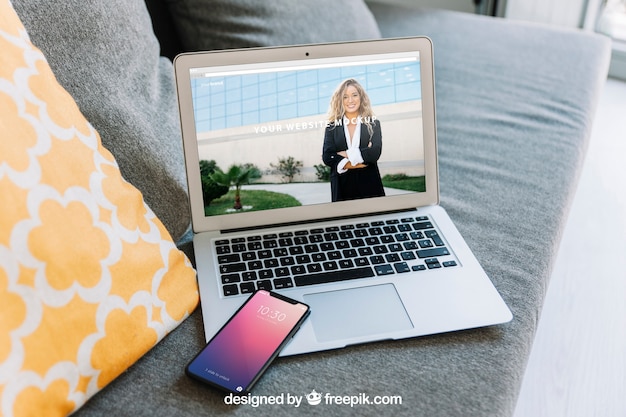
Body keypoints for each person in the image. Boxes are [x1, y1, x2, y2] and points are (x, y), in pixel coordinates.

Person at [322, 78, 385, 202]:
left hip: (370, 186)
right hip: (342, 188)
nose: (350, 100)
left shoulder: (373, 124)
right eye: (345, 97)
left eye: (354, 95)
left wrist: (344, 155)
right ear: (340, 100)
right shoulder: (332, 127)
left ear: (361, 97)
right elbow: (328, 157)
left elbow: (374, 153)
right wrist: (361, 160)